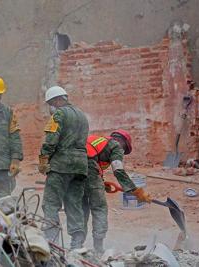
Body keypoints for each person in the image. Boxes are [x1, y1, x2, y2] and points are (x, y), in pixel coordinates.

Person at [84, 130, 152, 253]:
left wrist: (101, 183)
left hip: (71, 168)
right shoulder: (115, 145)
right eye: (124, 149)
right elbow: (118, 170)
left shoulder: (98, 140)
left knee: (81, 206)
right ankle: (98, 249)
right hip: (88, 169)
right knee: (99, 208)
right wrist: (135, 191)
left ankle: (76, 245)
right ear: (121, 141)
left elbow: (92, 161)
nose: (122, 153)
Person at [38, 85, 89, 249]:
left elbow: (52, 139)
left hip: (61, 165)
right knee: (74, 203)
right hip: (81, 166)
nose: (50, 108)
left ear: (57, 100)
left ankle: (52, 242)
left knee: (51, 204)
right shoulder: (82, 115)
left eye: (50, 103)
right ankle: (77, 242)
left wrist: (44, 159)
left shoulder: (59, 114)